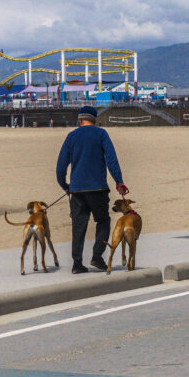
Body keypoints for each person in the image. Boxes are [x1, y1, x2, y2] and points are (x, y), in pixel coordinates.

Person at [56, 105, 129, 274]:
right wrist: (119, 181)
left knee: (78, 226)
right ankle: (97, 257)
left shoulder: (72, 136)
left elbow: (61, 167)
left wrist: (65, 186)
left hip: (77, 190)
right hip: (98, 188)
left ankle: (77, 264)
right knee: (103, 221)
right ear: (94, 120)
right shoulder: (101, 134)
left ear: (80, 120)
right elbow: (111, 160)